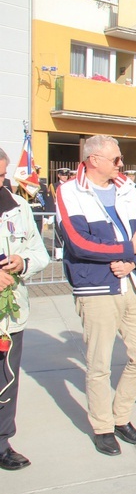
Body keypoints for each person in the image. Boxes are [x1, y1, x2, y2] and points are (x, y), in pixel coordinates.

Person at [56, 135, 136, 456]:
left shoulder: (127, 188)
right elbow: (77, 241)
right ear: (94, 160)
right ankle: (102, 426)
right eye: (115, 159)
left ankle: (120, 416)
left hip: (133, 284)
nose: (121, 163)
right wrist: (128, 248)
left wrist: (134, 260)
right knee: (99, 364)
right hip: (96, 289)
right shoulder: (70, 191)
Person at [0, 147, 50, 470]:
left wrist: (23, 262)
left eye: (1, 174)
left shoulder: (17, 207)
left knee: (6, 380)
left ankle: (2, 442)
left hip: (10, 315)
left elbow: (41, 253)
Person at [47, 168, 71, 260]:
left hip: (68, 212)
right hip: (58, 211)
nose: (65, 176)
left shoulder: (70, 185)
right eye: (63, 175)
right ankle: (59, 253)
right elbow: (51, 200)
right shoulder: (54, 186)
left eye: (66, 175)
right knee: (58, 232)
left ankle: (67, 252)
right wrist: (50, 214)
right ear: (59, 175)